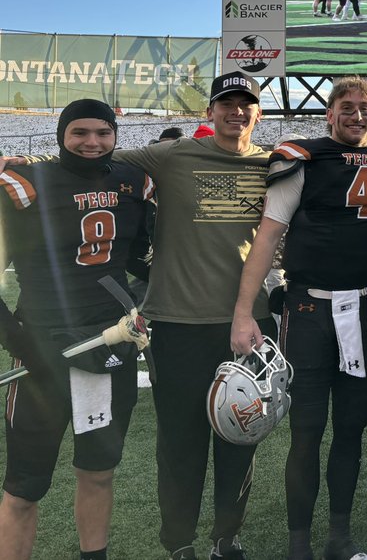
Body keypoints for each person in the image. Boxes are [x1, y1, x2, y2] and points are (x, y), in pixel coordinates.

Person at [94, 73, 271, 560]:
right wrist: (23, 162)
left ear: (259, 113)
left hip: (247, 324)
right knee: (180, 442)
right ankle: (180, 543)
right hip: (176, 322)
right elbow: (91, 159)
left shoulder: (271, 163)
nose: (237, 111)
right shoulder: (170, 156)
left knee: (241, 435)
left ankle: (226, 538)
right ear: (209, 113)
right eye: (226, 103)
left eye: (246, 104)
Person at [230, 76, 367, 560]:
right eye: (346, 107)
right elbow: (266, 238)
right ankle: (298, 546)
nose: (356, 115)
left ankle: (340, 540)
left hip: (364, 307)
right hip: (308, 309)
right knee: (306, 431)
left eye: (365, 108)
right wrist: (245, 311)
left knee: (352, 427)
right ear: (329, 114)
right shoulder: (303, 158)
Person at [0, 99, 153, 560]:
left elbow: (141, 260)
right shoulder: (27, 185)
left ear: (115, 135)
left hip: (109, 348)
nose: (92, 142)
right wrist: (20, 341)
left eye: (102, 132)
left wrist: (144, 302)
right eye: (80, 132)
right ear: (62, 135)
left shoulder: (132, 184)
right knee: (25, 488)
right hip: (43, 350)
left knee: (99, 471)